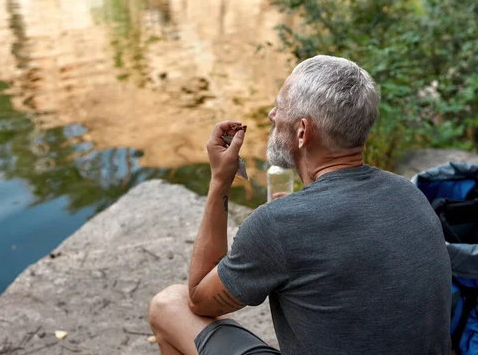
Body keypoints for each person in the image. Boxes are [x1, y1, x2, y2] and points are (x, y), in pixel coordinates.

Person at [148, 55, 452, 355]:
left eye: (279, 107)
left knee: (169, 305)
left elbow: (199, 299)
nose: (271, 115)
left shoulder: (279, 225)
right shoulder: (409, 193)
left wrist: (219, 182)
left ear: (303, 131)